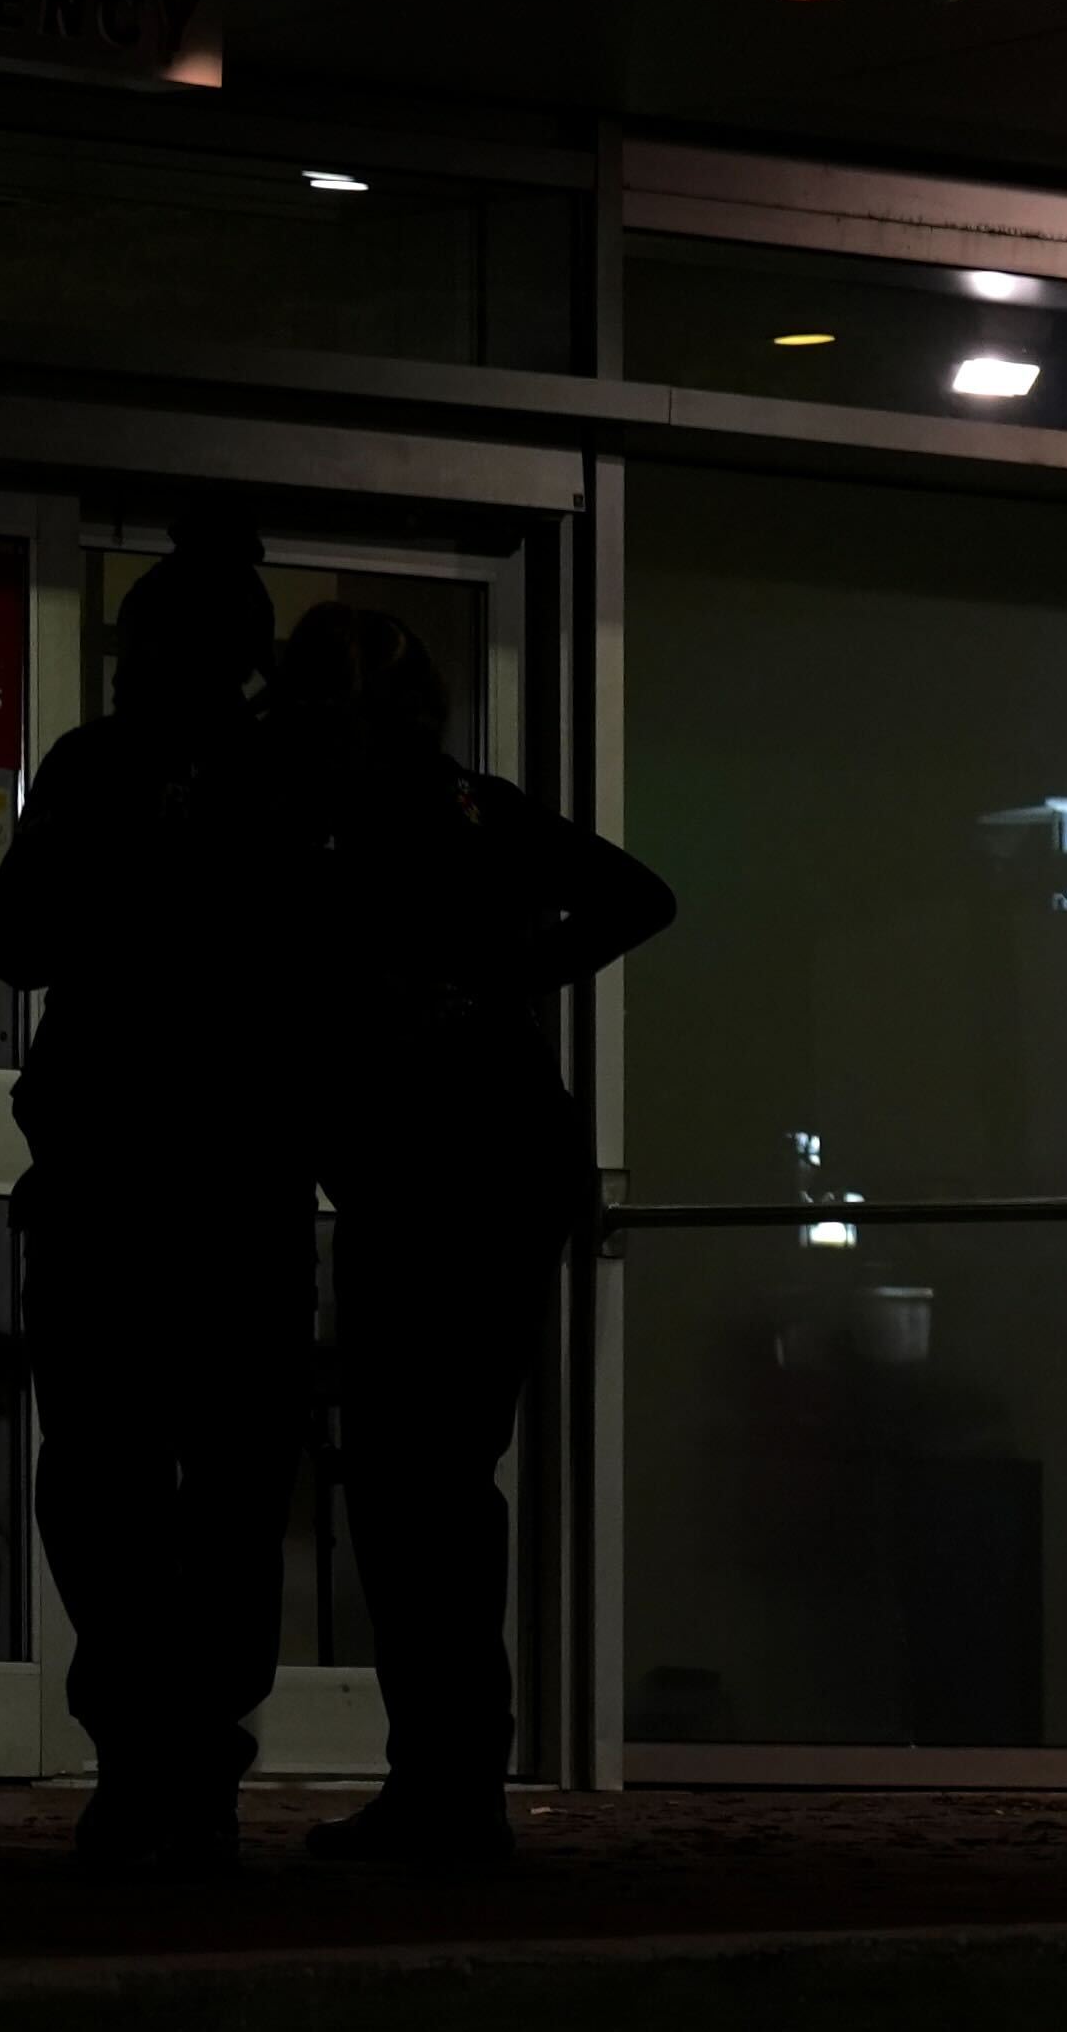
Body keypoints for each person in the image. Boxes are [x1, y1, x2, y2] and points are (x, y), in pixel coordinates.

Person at [261, 602, 674, 1868]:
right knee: (439, 1481)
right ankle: (453, 1781)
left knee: (412, 1487)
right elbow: (635, 897)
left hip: (431, 1179)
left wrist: (459, 995)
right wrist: (509, 983)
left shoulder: (345, 828)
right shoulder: (474, 809)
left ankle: (444, 1786)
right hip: (495, 1166)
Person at [0, 516, 302, 1870]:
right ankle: (175, 1753)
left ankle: (158, 1753)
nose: (132, 662)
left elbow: (23, 935)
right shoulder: (251, 775)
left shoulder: (138, 770)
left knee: (136, 1476)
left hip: (146, 1175)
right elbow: (21, 932)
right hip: (208, 1183)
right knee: (193, 1478)